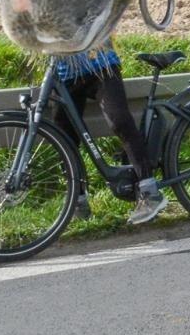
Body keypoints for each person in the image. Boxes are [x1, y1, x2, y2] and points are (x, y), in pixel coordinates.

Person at [57, 38, 168, 224]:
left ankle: (149, 191)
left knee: (119, 120)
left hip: (101, 65)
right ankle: (77, 201)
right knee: (64, 135)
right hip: (64, 74)